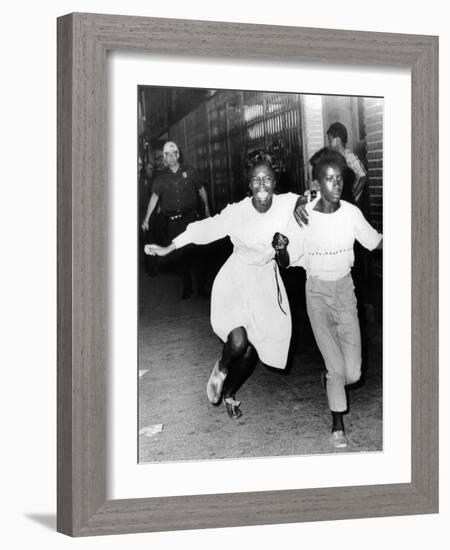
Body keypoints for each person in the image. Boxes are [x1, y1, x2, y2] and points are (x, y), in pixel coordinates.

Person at [145, 154, 300, 419]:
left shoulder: (289, 204)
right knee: (238, 343)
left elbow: (312, 206)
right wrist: (169, 247)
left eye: (267, 179)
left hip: (264, 284)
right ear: (249, 185)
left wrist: (306, 200)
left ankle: (229, 393)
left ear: (275, 182)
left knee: (254, 352)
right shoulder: (237, 212)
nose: (262, 186)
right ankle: (222, 368)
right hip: (236, 281)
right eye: (255, 180)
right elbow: (204, 229)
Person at [276, 151, 382, 449]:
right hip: (317, 294)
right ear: (317, 183)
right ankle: (337, 425)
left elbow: (375, 241)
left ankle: (330, 377)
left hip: (345, 293)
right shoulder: (303, 215)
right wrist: (280, 248)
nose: (336, 185)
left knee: (354, 373)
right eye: (329, 179)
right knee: (337, 369)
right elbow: (286, 260)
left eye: (340, 179)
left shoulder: (350, 213)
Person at [141, 141, 211, 298]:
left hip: (191, 219)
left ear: (178, 155)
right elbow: (154, 198)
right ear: (164, 158)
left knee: (197, 252)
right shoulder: (161, 178)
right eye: (167, 155)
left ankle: (201, 287)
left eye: (173, 154)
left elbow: (201, 189)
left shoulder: (190, 171)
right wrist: (146, 219)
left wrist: (206, 207)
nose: (171, 157)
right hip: (174, 222)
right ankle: (187, 287)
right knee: (180, 254)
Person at [326, 122, 368, 208]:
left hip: (353, 205)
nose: (329, 144)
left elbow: (363, 176)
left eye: (330, 140)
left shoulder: (349, 157)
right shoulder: (336, 158)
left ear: (337, 140)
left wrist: (354, 196)